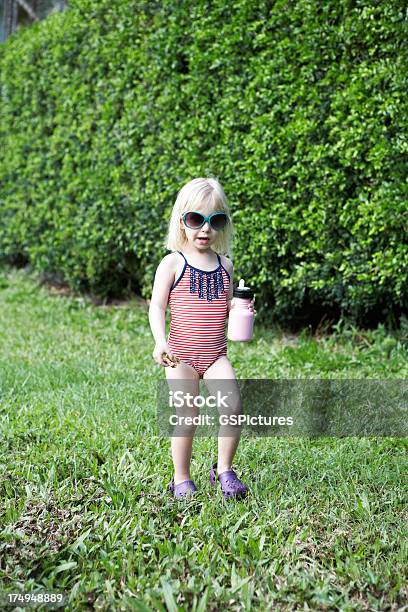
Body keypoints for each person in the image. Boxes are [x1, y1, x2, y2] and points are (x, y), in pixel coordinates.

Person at [149, 177, 256, 499]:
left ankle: (223, 470)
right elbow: (157, 306)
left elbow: (226, 307)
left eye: (215, 221)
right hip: (180, 356)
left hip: (215, 355)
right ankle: (180, 477)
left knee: (233, 405)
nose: (205, 229)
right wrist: (159, 340)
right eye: (196, 219)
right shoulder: (173, 263)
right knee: (187, 415)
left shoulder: (225, 265)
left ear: (223, 225)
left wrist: (244, 309)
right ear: (182, 221)